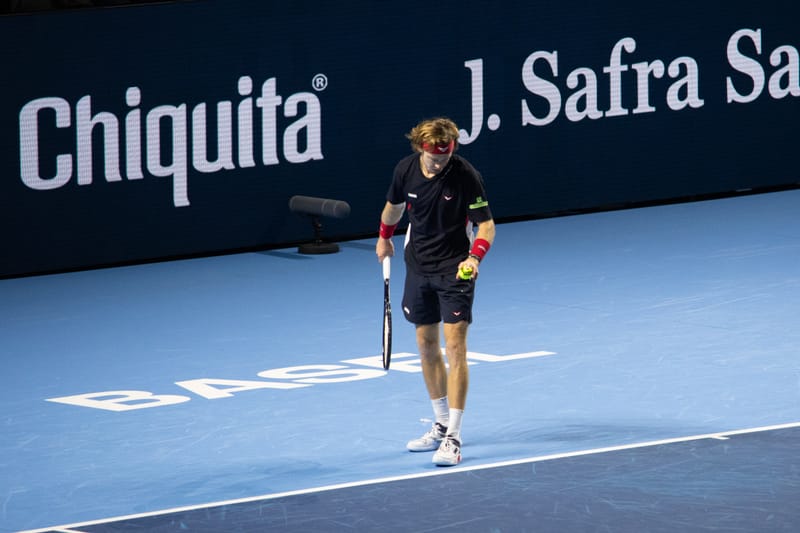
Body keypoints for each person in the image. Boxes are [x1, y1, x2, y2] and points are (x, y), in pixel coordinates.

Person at [375, 117, 496, 466]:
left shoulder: (465, 175)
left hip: (456, 267)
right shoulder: (405, 170)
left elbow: (485, 224)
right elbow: (394, 207)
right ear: (421, 149)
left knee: (455, 347)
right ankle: (440, 424)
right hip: (418, 266)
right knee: (426, 346)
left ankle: (454, 438)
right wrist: (384, 236)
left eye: (446, 155)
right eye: (434, 157)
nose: (440, 162)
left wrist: (475, 258)